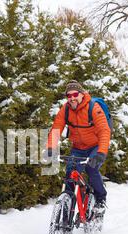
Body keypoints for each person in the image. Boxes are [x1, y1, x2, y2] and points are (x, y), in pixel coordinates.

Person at [46, 80, 111, 216]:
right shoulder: (66, 110)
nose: (72, 98)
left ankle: (100, 198)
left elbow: (104, 131)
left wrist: (101, 153)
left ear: (81, 94)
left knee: (91, 168)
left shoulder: (93, 107)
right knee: (70, 174)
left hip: (95, 146)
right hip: (78, 147)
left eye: (75, 94)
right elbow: (56, 128)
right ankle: (67, 209)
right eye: (68, 96)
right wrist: (50, 148)